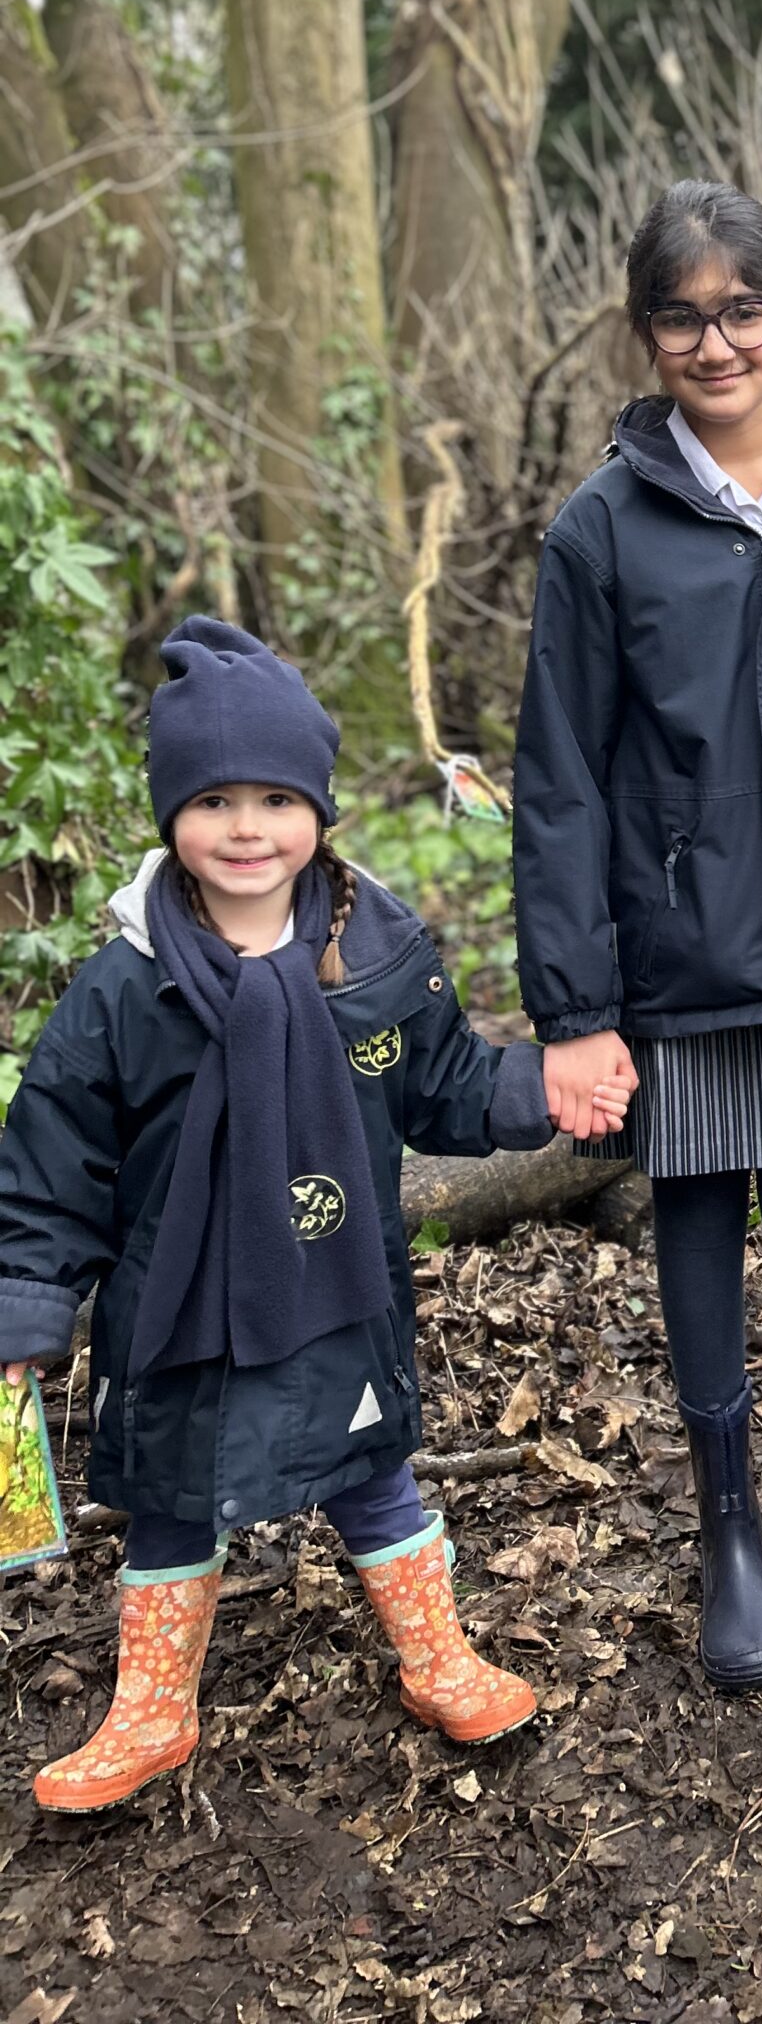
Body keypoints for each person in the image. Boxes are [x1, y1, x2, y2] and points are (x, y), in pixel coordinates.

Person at [0, 620, 605, 1813]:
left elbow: (446, 1086)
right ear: (172, 813)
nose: (246, 828)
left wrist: (545, 1087)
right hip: (176, 1302)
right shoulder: (125, 985)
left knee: (371, 1470)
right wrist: (26, 1304)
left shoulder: (376, 955)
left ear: (317, 811)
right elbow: (53, 1157)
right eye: (213, 799)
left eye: (277, 798)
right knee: (173, 1498)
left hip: (337, 1284)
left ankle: (437, 1657)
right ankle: (152, 1706)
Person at [514, 180, 762, 1729]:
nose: (717, 343)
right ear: (646, 334)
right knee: (695, 1237)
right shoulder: (602, 531)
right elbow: (560, 781)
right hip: (675, 966)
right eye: (682, 317)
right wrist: (576, 1011)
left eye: (744, 310)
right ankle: (732, 1539)